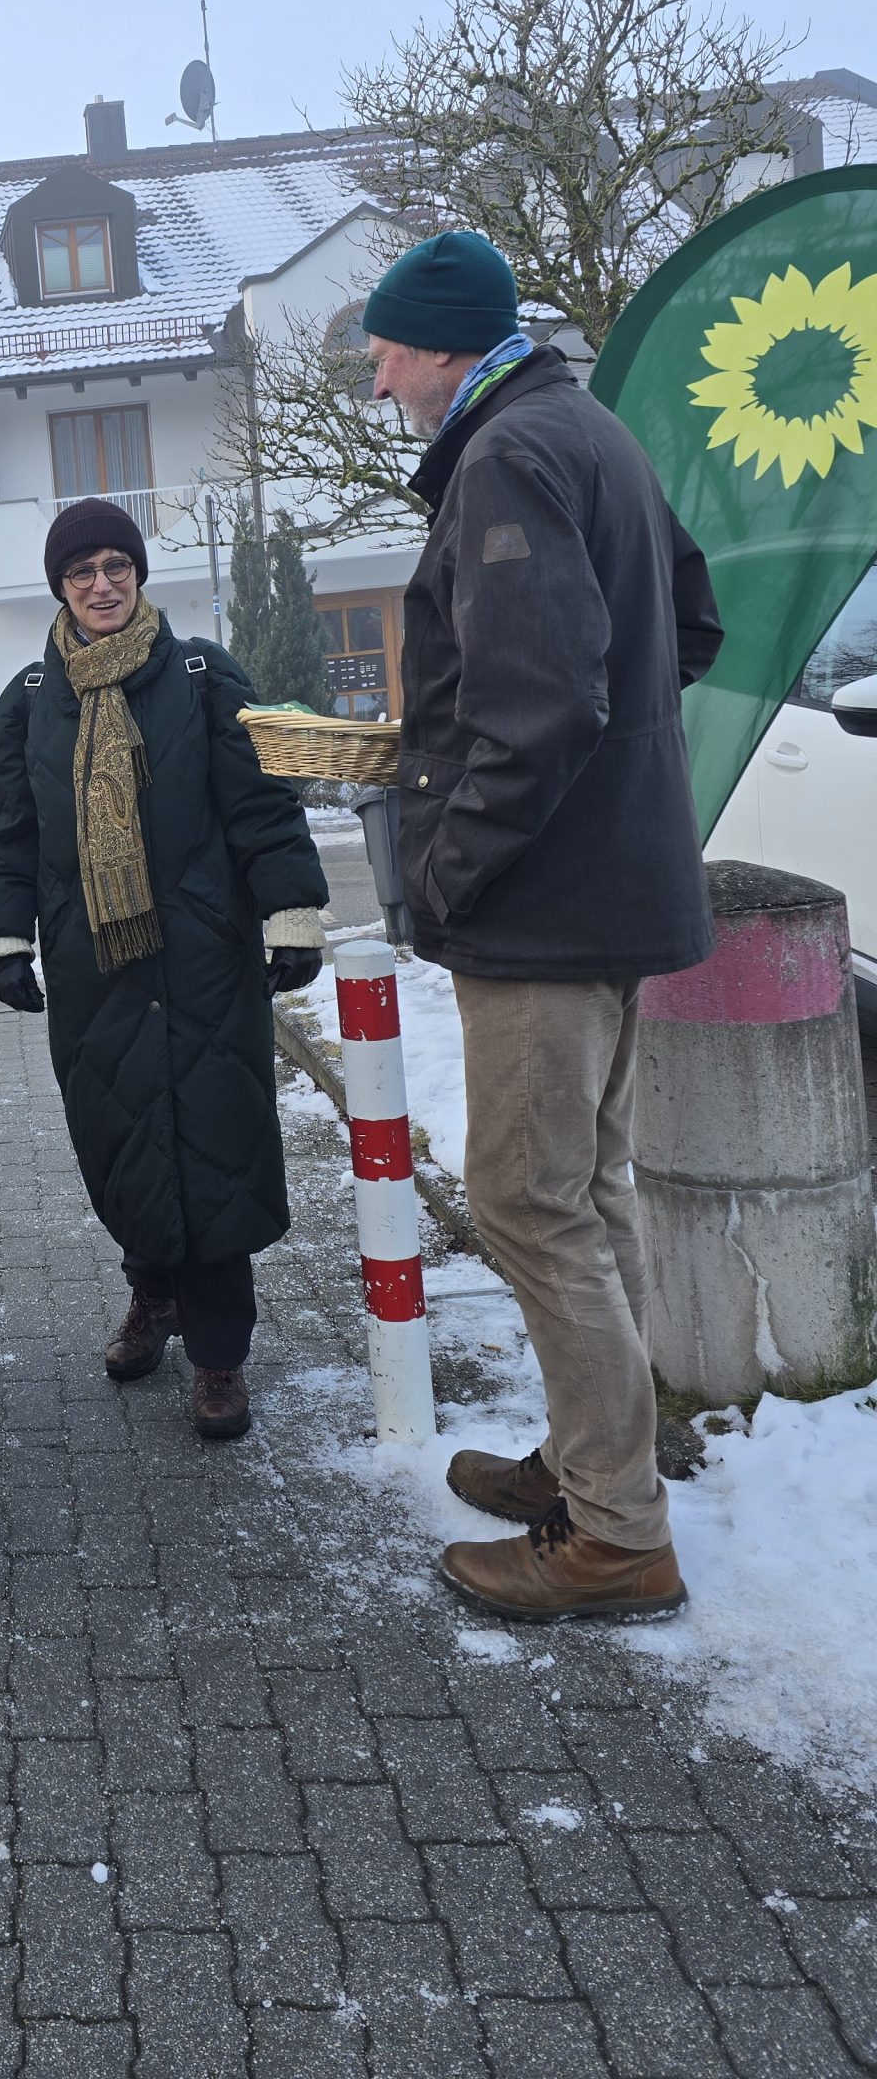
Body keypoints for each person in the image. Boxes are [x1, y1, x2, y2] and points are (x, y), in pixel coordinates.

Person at [365, 229, 722, 1624]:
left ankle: (616, 1533)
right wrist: (621, 770)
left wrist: (449, 871)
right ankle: (596, 1464)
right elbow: (687, 628)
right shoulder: (590, 429)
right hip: (615, 886)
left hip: (545, 908)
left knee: (526, 1202)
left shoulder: (509, 455)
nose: (379, 379)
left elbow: (540, 703)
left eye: (385, 352)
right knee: (587, 1190)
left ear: (439, 343)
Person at [0, 500, 329, 1439]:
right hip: (94, 961)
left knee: (214, 1143)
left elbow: (261, 804)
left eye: (116, 566)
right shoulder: (30, 697)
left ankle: (219, 1354)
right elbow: (6, 829)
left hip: (205, 955)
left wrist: (290, 914)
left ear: (137, 573)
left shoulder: (202, 674)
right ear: (60, 586)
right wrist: (5, 940)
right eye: (82, 571)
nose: (102, 585)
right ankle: (153, 1295)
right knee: (122, 1139)